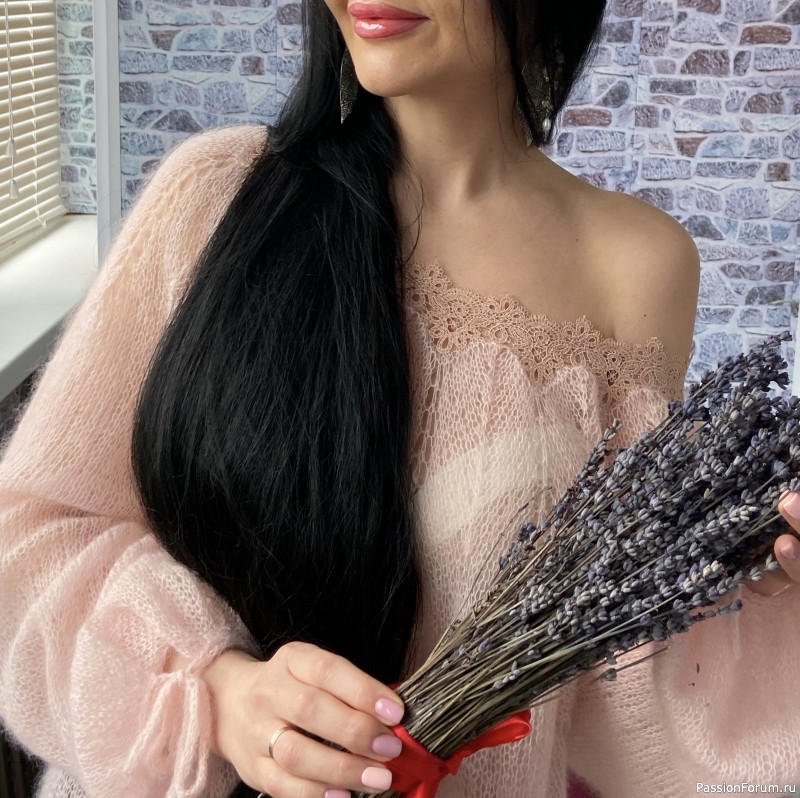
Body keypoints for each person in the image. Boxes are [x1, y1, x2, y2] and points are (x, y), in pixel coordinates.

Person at [1, 0, 799, 795]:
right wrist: (218, 693)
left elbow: (612, 661)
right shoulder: (216, 198)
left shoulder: (638, 266)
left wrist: (762, 579)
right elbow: (28, 538)